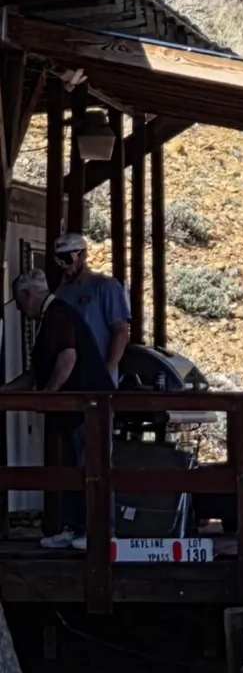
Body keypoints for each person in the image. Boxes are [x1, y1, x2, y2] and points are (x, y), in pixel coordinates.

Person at [6, 270, 114, 550]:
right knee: (69, 467)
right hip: (71, 411)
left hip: (87, 408)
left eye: (19, 301)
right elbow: (35, 373)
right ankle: (74, 527)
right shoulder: (47, 319)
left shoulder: (58, 314)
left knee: (88, 466)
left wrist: (48, 396)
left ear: (29, 295)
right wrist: (4, 391)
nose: (19, 308)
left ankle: (98, 532)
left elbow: (68, 358)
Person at [53, 232, 130, 385]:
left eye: (68, 259)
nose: (64, 265)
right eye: (59, 259)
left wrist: (108, 370)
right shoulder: (60, 293)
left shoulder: (107, 287)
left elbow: (121, 331)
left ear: (82, 256)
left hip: (97, 376)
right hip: (70, 377)